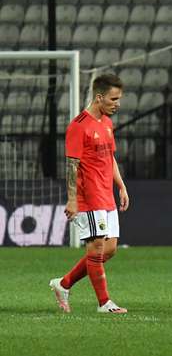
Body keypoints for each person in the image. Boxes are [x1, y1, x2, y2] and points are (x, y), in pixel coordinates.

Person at [49, 73, 129, 314]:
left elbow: (110, 156)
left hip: (107, 194)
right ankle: (104, 302)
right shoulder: (78, 126)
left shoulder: (106, 122)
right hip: (89, 195)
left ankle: (63, 284)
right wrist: (72, 199)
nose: (118, 104)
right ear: (99, 97)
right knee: (96, 247)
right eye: (114, 99)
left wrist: (121, 185)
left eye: (119, 99)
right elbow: (71, 165)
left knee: (110, 248)